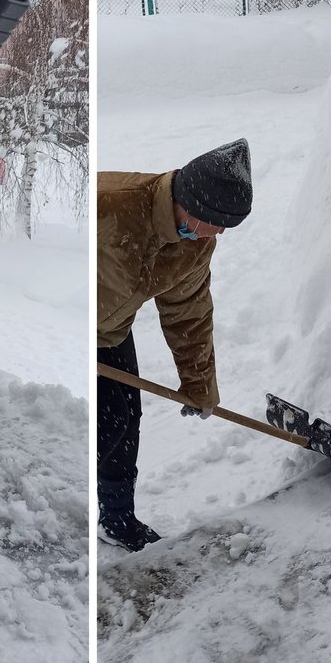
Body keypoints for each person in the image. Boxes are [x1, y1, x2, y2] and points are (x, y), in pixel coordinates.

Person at [97, 138, 253, 551]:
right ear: (188, 202)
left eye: (226, 226)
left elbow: (189, 314)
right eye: (215, 221)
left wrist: (199, 383)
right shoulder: (108, 206)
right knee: (98, 429)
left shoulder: (196, 244)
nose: (217, 233)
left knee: (124, 423)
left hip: (110, 333)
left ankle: (117, 519)